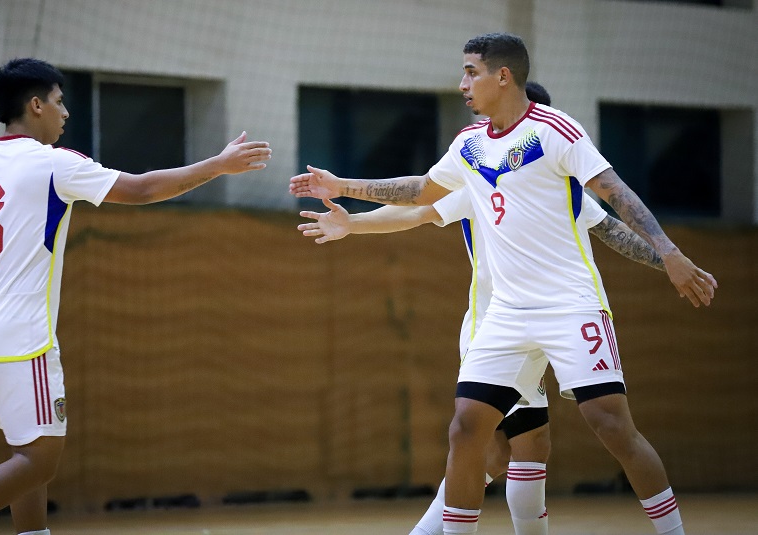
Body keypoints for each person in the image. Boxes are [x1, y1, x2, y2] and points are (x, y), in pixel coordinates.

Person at [290, 33, 716, 535]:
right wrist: (345, 189)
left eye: (471, 72)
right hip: (504, 315)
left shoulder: (555, 131)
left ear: (503, 76)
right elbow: (422, 193)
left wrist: (668, 255)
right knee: (469, 430)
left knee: (610, 426)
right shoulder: (469, 148)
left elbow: (614, 200)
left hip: (569, 307)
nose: (462, 83)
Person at [0, 58, 271, 535]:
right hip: (23, 336)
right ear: (35, 106)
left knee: (25, 452)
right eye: (58, 102)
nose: (65, 113)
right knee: (40, 460)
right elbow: (141, 190)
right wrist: (218, 165)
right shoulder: (55, 162)